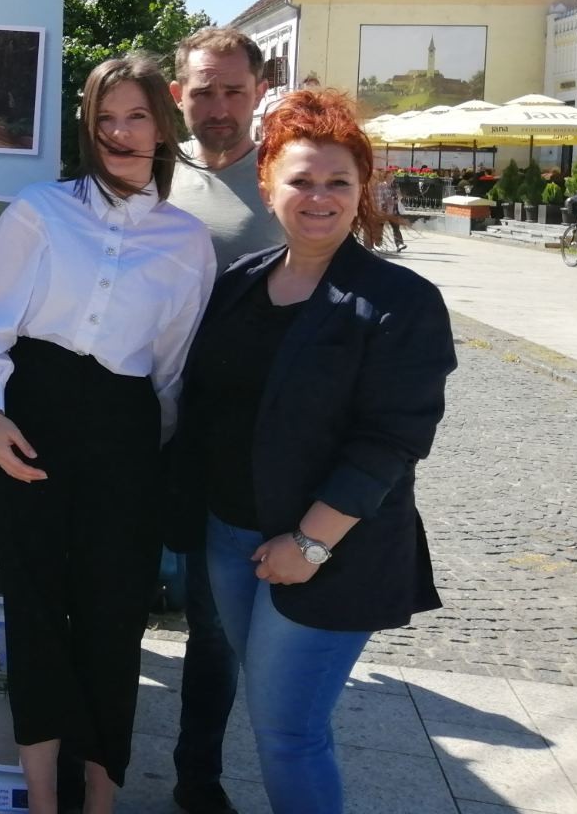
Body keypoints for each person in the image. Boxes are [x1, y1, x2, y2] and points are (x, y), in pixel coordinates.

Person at [168, 88, 456, 814]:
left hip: (331, 552)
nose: (320, 197)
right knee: (273, 714)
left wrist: (309, 543)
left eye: (338, 181)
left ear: (362, 190)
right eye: (301, 179)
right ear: (267, 186)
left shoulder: (400, 301)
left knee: (289, 733)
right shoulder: (240, 282)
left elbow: (391, 441)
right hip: (230, 537)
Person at [0, 54, 215, 814]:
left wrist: (147, 458)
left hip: (124, 434)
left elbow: (171, 370)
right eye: (105, 118)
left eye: (136, 116)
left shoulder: (187, 241)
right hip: (27, 421)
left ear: (163, 125)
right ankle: (43, 799)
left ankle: (100, 798)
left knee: (114, 616)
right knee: (35, 611)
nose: (120, 133)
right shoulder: (40, 210)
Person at [164, 26, 282, 814]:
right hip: (138, 428)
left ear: (259, 91)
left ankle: (195, 777)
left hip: (231, 445)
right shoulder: (148, 172)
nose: (219, 106)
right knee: (110, 600)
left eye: (234, 90)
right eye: (203, 90)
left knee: (213, 627)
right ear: (179, 94)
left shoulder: (285, 179)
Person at [373, 172, 407, 252]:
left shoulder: (394, 186)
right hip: (383, 211)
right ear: (385, 177)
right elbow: (379, 198)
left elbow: (398, 197)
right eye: (390, 177)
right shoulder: (381, 186)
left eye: (393, 177)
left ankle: (399, 244)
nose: (392, 178)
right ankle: (377, 244)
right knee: (379, 228)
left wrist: (397, 198)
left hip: (393, 211)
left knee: (396, 227)